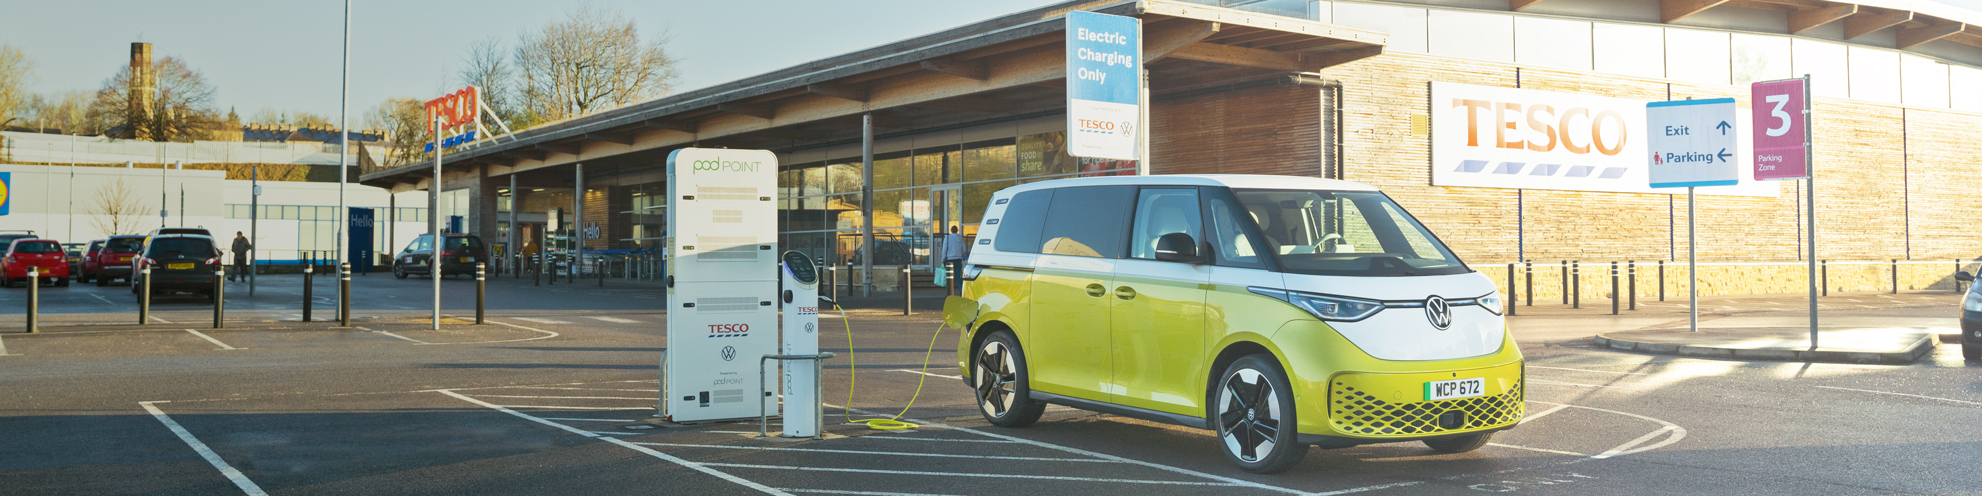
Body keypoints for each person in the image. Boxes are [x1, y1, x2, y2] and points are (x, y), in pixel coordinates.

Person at [942, 225, 966, 295]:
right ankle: (961, 289)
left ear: (951, 230)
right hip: (958, 259)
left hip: (950, 260)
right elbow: (964, 250)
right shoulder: (960, 238)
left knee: (950, 277)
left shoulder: (947, 238)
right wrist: (960, 254)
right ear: (957, 230)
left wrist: (943, 259)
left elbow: (944, 250)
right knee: (958, 276)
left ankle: (950, 291)